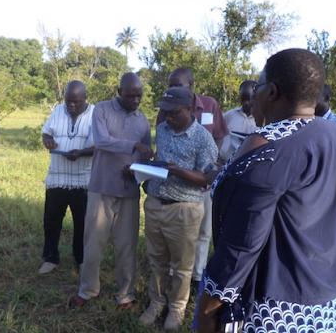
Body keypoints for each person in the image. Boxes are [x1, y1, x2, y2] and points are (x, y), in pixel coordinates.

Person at [196, 48, 336, 333]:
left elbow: (239, 250)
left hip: (276, 312)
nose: (254, 93)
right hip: (331, 302)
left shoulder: (266, 153)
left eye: (259, 85)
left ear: (272, 92)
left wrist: (207, 311)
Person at [68, 72, 152, 309]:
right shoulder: (102, 110)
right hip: (102, 187)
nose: (135, 100)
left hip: (128, 190)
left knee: (127, 246)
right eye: (130, 95)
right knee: (93, 242)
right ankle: (87, 290)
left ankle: (125, 294)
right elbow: (102, 141)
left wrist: (136, 169)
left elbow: (146, 151)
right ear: (119, 91)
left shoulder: (142, 120)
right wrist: (133, 145)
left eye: (139, 96)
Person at [139, 87, 217, 331]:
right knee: (157, 260)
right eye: (165, 113)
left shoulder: (203, 138)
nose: (168, 118)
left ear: (190, 109)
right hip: (155, 204)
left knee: (182, 267)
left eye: (174, 113)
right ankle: (157, 302)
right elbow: (159, 162)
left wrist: (177, 170)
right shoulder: (162, 130)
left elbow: (208, 178)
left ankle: (176, 309)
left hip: (184, 210)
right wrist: (147, 166)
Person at [157, 68, 226, 292]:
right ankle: (173, 275)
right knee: (178, 237)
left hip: (203, 176)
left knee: (203, 231)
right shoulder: (169, 108)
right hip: (176, 187)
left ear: (191, 85)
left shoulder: (210, 105)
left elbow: (220, 134)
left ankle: (197, 276)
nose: (173, 90)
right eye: (170, 86)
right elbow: (163, 135)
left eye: (178, 86)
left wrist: (209, 161)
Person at [38, 80, 94, 274]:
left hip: (83, 180)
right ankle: (50, 258)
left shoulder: (95, 114)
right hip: (57, 178)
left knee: (83, 222)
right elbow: (46, 133)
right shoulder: (58, 111)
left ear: (85, 98)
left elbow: (100, 146)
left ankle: (80, 260)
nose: (71, 106)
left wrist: (82, 152)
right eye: (68, 101)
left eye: (76, 102)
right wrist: (48, 141)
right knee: (51, 220)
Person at [220, 80, 258, 161]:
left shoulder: (262, 120)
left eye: (248, 99)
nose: (245, 103)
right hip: (226, 163)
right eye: (243, 99)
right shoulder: (229, 115)